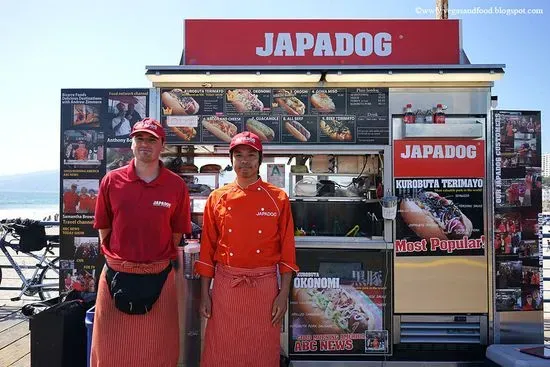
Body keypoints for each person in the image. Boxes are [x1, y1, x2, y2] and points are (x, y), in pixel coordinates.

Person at [91, 118, 191, 367]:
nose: (145, 144)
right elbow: (103, 227)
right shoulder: (111, 181)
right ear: (132, 144)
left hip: (159, 276)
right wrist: (122, 258)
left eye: (152, 140)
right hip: (117, 275)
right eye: (140, 139)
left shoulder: (176, 186)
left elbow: (176, 233)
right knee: (111, 351)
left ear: (162, 146)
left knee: (158, 351)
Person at [196, 131, 299, 367]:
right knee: (222, 349)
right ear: (231, 160)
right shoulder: (217, 198)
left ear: (260, 160)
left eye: (251, 155)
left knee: (261, 350)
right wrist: (205, 294)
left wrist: (283, 295)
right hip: (226, 288)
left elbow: (287, 252)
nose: (245, 161)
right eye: (239, 155)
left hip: (264, 289)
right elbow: (207, 251)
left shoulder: (278, 198)